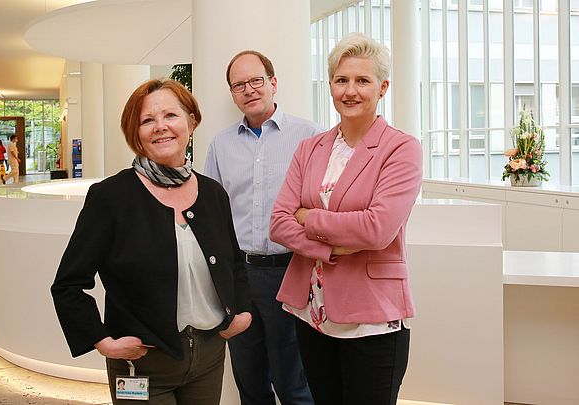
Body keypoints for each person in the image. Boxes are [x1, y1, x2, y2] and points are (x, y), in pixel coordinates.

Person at [51, 79, 252, 405]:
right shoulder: (111, 197)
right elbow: (68, 284)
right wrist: (102, 340)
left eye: (170, 115)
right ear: (136, 133)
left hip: (209, 357)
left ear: (191, 122)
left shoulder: (213, 193)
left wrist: (243, 310)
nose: (160, 126)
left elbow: (233, 261)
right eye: (147, 120)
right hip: (141, 366)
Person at [269, 33, 423, 405]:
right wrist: (334, 247)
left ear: (382, 87)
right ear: (330, 86)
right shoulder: (310, 148)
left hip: (372, 316)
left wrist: (310, 217)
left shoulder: (401, 148)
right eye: (341, 80)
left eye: (362, 80)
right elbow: (279, 223)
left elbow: (377, 229)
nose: (350, 90)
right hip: (312, 312)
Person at [205, 50, 320, 405]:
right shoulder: (220, 145)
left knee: (294, 382)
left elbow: (321, 203)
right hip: (240, 274)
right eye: (239, 85)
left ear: (273, 83)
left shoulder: (309, 136)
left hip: (291, 269)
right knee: (249, 378)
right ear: (232, 93)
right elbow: (212, 213)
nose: (249, 90)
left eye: (256, 80)